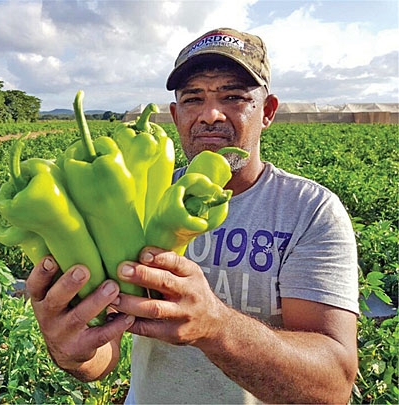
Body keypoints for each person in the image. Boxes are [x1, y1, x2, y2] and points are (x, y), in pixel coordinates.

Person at [26, 27, 359, 404]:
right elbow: (104, 352)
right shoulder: (134, 196)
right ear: (175, 114)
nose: (210, 115)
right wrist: (72, 349)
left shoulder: (309, 211)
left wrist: (215, 327)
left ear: (267, 112)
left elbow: (332, 386)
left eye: (233, 96)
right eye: (192, 98)